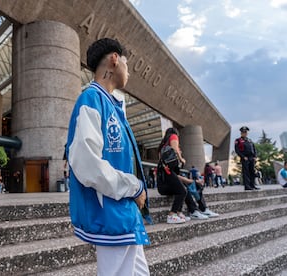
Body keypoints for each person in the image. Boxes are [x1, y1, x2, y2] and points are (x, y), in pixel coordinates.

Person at [66, 38, 150, 276]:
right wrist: (134, 187)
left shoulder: (111, 104)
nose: (129, 71)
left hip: (123, 212)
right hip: (111, 213)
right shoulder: (90, 99)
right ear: (114, 59)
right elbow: (87, 164)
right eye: (126, 62)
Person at [157, 127, 209, 224]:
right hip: (166, 178)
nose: (180, 150)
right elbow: (175, 148)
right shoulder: (173, 136)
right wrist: (181, 159)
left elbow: (177, 177)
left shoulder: (162, 147)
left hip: (163, 183)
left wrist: (193, 181)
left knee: (183, 188)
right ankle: (172, 215)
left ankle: (181, 212)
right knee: (182, 190)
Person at [234, 126, 260, 190]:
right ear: (241, 133)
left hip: (252, 158)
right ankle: (247, 186)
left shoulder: (250, 140)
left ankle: (252, 185)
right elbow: (237, 150)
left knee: (252, 172)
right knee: (246, 172)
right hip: (245, 158)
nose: (244, 133)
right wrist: (243, 157)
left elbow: (254, 149)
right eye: (243, 132)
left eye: (246, 132)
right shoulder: (238, 140)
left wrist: (255, 156)